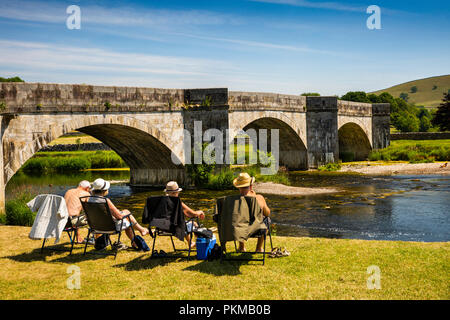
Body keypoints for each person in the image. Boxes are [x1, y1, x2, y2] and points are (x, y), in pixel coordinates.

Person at [89, 178, 149, 250]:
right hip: (110, 227)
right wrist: (124, 212)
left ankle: (141, 231)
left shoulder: (89, 200)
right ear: (104, 190)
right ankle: (139, 234)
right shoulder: (105, 201)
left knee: (126, 217)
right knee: (127, 216)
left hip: (95, 227)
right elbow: (119, 216)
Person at [232, 172, 271, 253]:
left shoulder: (233, 201)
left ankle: (241, 247)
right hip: (257, 230)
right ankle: (259, 248)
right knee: (267, 220)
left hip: (238, 230)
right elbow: (267, 213)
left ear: (238, 187)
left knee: (238, 221)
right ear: (251, 186)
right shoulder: (259, 198)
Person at [164, 181, 205, 248]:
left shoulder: (163, 201)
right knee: (194, 224)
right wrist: (200, 212)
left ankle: (190, 242)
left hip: (163, 227)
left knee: (183, 223)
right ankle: (198, 243)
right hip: (175, 227)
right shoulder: (177, 202)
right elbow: (192, 214)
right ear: (176, 192)